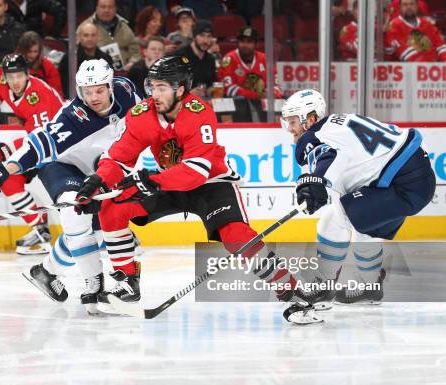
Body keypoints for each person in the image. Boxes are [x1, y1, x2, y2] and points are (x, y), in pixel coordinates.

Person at [73, 56, 322, 325]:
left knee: (237, 237)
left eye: (162, 88)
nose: (154, 94)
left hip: (211, 184)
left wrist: (152, 181)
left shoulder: (198, 112)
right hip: (168, 181)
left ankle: (292, 291)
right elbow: (118, 158)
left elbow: (196, 172)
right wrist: (97, 181)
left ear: (180, 89)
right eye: (152, 87)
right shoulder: (142, 115)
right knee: (112, 206)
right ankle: (127, 283)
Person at [0, 59, 141, 313]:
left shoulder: (127, 91)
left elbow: (147, 120)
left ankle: (46, 272)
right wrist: (3, 171)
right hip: (60, 166)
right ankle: (93, 286)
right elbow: (38, 143)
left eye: (99, 90)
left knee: (97, 229)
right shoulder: (73, 118)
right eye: (86, 92)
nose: (93, 97)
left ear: (110, 86)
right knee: (76, 215)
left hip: (97, 171)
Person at [280, 89, 436, 306]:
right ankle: (369, 286)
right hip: (412, 176)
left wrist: (315, 181)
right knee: (365, 221)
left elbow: (324, 154)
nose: (289, 128)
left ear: (311, 118)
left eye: (293, 121)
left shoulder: (312, 136)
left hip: (403, 183)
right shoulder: (341, 121)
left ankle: (324, 285)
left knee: (336, 217)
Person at [0, 54, 64, 254]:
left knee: (1, 162)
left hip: (58, 145)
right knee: (7, 178)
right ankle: (40, 231)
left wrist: (5, 151)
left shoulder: (39, 95)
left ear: (27, 74)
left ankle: (113, 231)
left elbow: (41, 140)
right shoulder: (5, 82)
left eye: (19, 76)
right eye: (10, 76)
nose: (14, 82)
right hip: (40, 143)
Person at [218, 26, 282, 100]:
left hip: (263, 106)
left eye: (249, 42)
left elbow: (277, 87)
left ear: (256, 44)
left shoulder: (264, 59)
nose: (245, 45)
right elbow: (228, 89)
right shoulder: (228, 59)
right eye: (242, 41)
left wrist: (271, 94)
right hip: (238, 106)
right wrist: (255, 95)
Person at [81, 0, 141, 71]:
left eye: (110, 7)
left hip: (124, 74)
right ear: (96, 8)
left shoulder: (124, 26)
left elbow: (136, 52)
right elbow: (78, 53)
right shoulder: (85, 27)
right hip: (96, 73)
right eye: (103, 7)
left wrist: (132, 63)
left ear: (115, 9)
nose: (107, 10)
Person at [58, 21, 114, 98]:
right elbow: (66, 88)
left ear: (98, 37)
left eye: (93, 35)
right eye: (86, 35)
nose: (90, 39)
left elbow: (110, 85)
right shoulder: (69, 59)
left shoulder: (106, 58)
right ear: (79, 37)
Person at [5, 31, 63, 97]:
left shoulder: (47, 66)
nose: (33, 55)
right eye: (30, 51)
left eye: (35, 51)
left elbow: (56, 91)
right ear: (22, 50)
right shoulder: (9, 63)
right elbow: (1, 88)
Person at [170, 19, 216, 98]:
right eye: (202, 35)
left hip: (204, 103)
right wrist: (188, 93)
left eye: (209, 36)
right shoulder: (179, 56)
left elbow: (210, 84)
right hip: (182, 103)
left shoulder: (210, 59)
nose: (206, 41)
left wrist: (210, 91)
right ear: (194, 37)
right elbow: (169, 86)